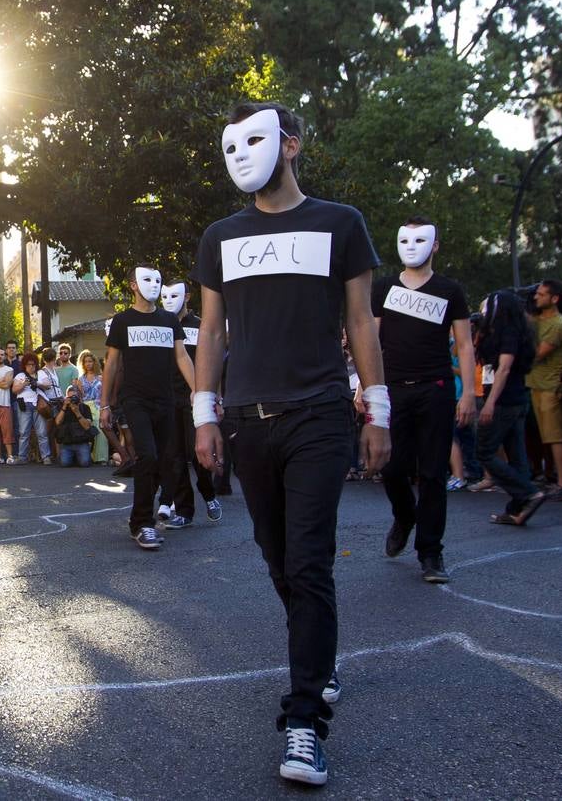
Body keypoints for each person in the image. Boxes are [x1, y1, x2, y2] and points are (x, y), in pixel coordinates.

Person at [191, 102, 387, 785]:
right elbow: (211, 332)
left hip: (321, 415)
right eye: (231, 143)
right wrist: (204, 414)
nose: (241, 154)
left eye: (257, 139)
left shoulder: (341, 223)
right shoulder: (220, 234)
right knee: (278, 560)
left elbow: (361, 321)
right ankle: (320, 657)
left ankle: (304, 721)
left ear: (292, 145)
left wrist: (378, 409)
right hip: (247, 418)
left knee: (308, 564)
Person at [374, 216, 474, 583]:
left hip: (436, 388)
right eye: (406, 239)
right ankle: (405, 516)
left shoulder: (450, 290)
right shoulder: (383, 288)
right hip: (393, 389)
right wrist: (363, 386)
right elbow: (371, 340)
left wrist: (471, 395)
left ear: (434, 245)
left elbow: (463, 344)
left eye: (421, 240)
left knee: (433, 472)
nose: (412, 246)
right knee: (391, 466)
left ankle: (431, 552)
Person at [102, 266, 197, 546]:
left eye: (158, 279)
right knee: (147, 455)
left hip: (166, 400)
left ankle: (152, 514)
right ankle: (141, 523)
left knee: (162, 461)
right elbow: (112, 364)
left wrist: (199, 392)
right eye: (147, 279)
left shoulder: (169, 320)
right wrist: (105, 404)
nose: (154, 284)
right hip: (135, 400)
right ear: (132, 285)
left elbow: (182, 358)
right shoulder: (122, 320)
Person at [481, 291, 550, 526]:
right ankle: (518, 508)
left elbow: (504, 369)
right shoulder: (513, 330)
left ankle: (527, 493)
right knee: (516, 454)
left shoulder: (509, 332)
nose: (483, 310)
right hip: (516, 398)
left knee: (484, 451)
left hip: (505, 399)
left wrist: (490, 402)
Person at [156, 280, 220, 526]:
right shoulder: (161, 325)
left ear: (188, 296)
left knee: (197, 453)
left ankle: (209, 493)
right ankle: (184, 511)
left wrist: (215, 396)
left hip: (197, 398)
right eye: (165, 295)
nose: (169, 300)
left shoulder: (200, 326)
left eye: (175, 295)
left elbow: (214, 362)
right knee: (174, 456)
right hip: (168, 399)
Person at [527, 280, 562, 497]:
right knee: (546, 436)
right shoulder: (535, 320)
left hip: (551, 385)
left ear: (554, 299)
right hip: (535, 384)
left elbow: (537, 354)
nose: (537, 297)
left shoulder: (558, 323)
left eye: (542, 294)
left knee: (555, 436)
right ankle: (556, 477)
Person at [10, 353, 53, 465]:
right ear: (24, 365)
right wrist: (24, 384)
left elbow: (48, 385)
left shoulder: (41, 373)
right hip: (24, 405)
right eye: (28, 365)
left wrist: (37, 383)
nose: (31, 367)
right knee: (23, 432)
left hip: (38, 405)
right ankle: (22, 457)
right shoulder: (20, 376)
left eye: (33, 364)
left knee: (42, 432)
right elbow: (14, 390)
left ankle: (46, 457)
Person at [76, 351, 110, 464]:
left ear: (94, 362)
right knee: (87, 430)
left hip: (98, 406)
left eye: (90, 361)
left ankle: (101, 458)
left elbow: (106, 394)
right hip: (86, 407)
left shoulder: (101, 377)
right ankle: (87, 456)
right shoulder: (80, 379)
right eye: (85, 362)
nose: (88, 364)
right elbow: (80, 397)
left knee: (100, 429)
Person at [53, 383, 97, 466]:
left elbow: (87, 426)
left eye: (74, 397)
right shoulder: (62, 407)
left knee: (85, 463)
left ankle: (78, 457)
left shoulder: (84, 408)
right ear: (66, 398)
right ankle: (74, 457)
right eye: (70, 397)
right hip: (67, 443)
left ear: (79, 398)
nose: (72, 400)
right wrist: (64, 407)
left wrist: (77, 412)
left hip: (81, 442)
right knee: (64, 463)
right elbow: (57, 422)